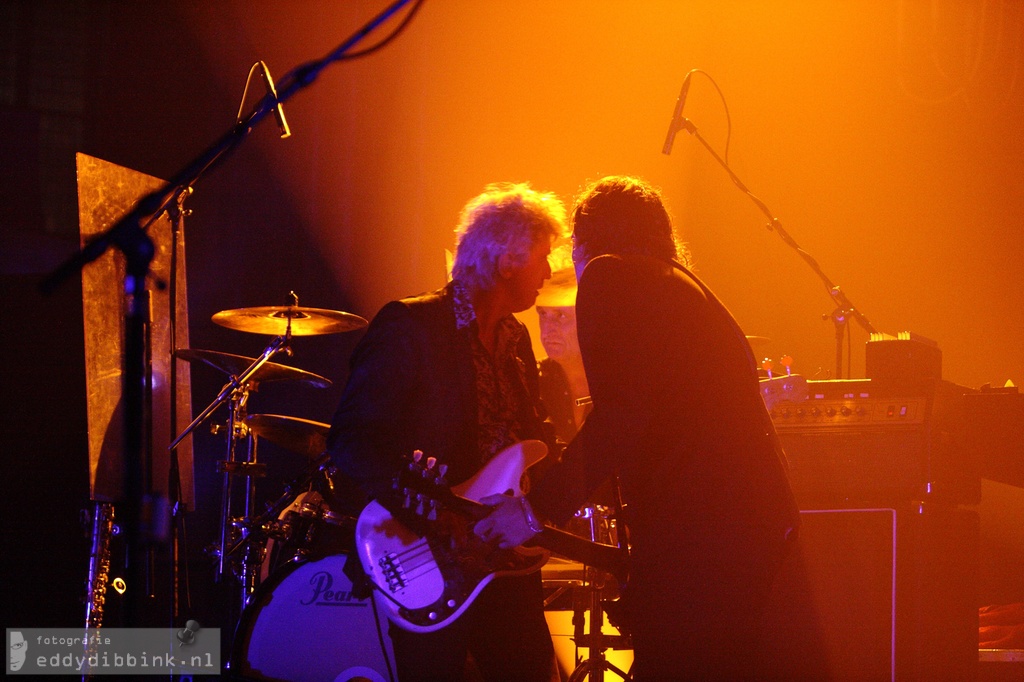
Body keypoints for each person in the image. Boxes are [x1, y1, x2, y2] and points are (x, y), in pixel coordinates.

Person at [475, 175, 800, 681]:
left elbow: (622, 417)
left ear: (586, 241)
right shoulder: (679, 283)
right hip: (744, 524)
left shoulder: (610, 275)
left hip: (702, 535)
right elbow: (656, 422)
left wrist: (536, 511)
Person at [326, 182, 566, 682]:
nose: (548, 272)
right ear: (507, 260)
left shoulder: (515, 337)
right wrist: (437, 511)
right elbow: (351, 440)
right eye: (542, 257)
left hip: (502, 559)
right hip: (425, 555)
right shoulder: (412, 325)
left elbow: (528, 437)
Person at [535, 263, 590, 445]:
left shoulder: (617, 377)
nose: (548, 328)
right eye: (542, 313)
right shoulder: (533, 381)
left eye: (561, 315)